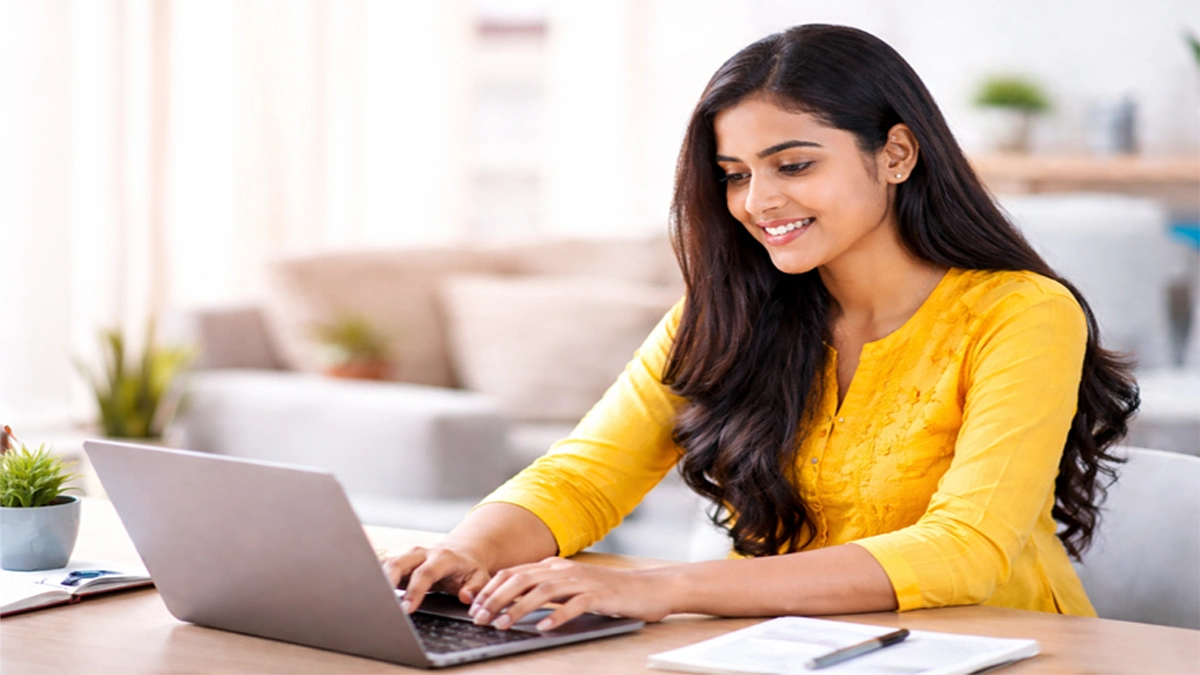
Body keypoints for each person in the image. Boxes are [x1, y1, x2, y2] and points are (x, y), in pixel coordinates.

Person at [383, 24, 1138, 632]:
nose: (758, 200)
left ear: (897, 154)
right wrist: (460, 555)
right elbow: (583, 475)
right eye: (736, 173)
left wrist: (662, 587)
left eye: (794, 164)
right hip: (783, 647)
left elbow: (963, 549)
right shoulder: (728, 311)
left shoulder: (1023, 312)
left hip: (1000, 645)